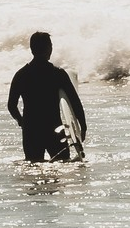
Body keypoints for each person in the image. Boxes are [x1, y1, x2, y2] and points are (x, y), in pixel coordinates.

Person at [7, 32, 86, 162]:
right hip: (54, 128)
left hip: (31, 131)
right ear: (49, 48)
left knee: (34, 168)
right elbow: (74, 102)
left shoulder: (21, 75)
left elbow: (11, 105)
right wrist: (82, 126)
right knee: (62, 165)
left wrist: (22, 122)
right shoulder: (58, 74)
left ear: (32, 49)